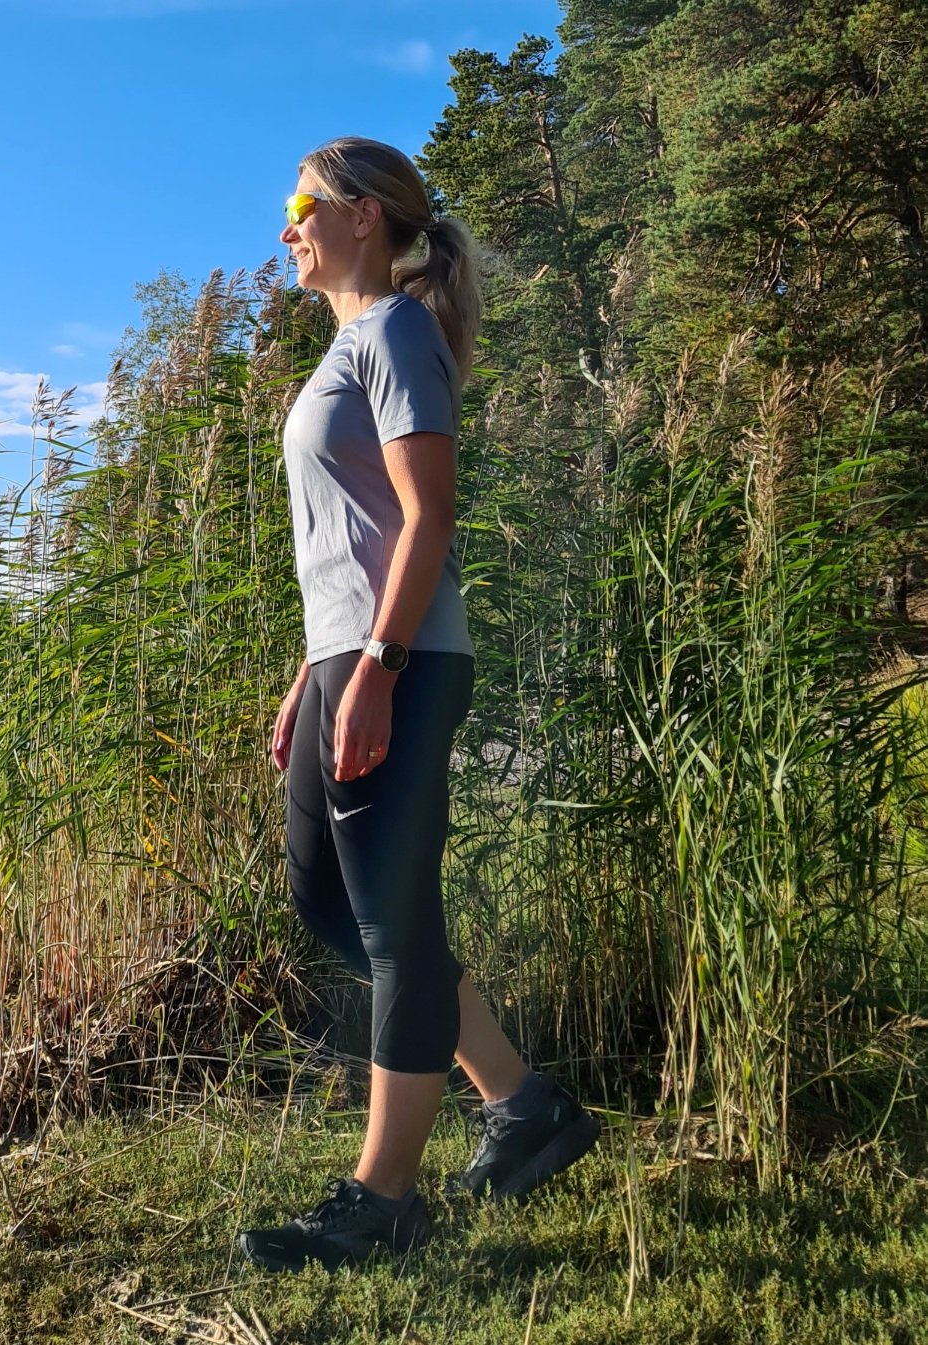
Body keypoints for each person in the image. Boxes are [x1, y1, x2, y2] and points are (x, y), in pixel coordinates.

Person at [236, 136, 601, 1275]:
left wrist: (381, 668)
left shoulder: (393, 331)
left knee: (394, 929)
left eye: (301, 203)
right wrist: (317, 667)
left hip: (402, 658)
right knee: (327, 902)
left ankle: (383, 1196)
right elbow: (356, 537)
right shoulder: (353, 341)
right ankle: (525, 1103)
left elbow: (428, 515)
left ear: (362, 216)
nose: (286, 226)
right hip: (350, 653)